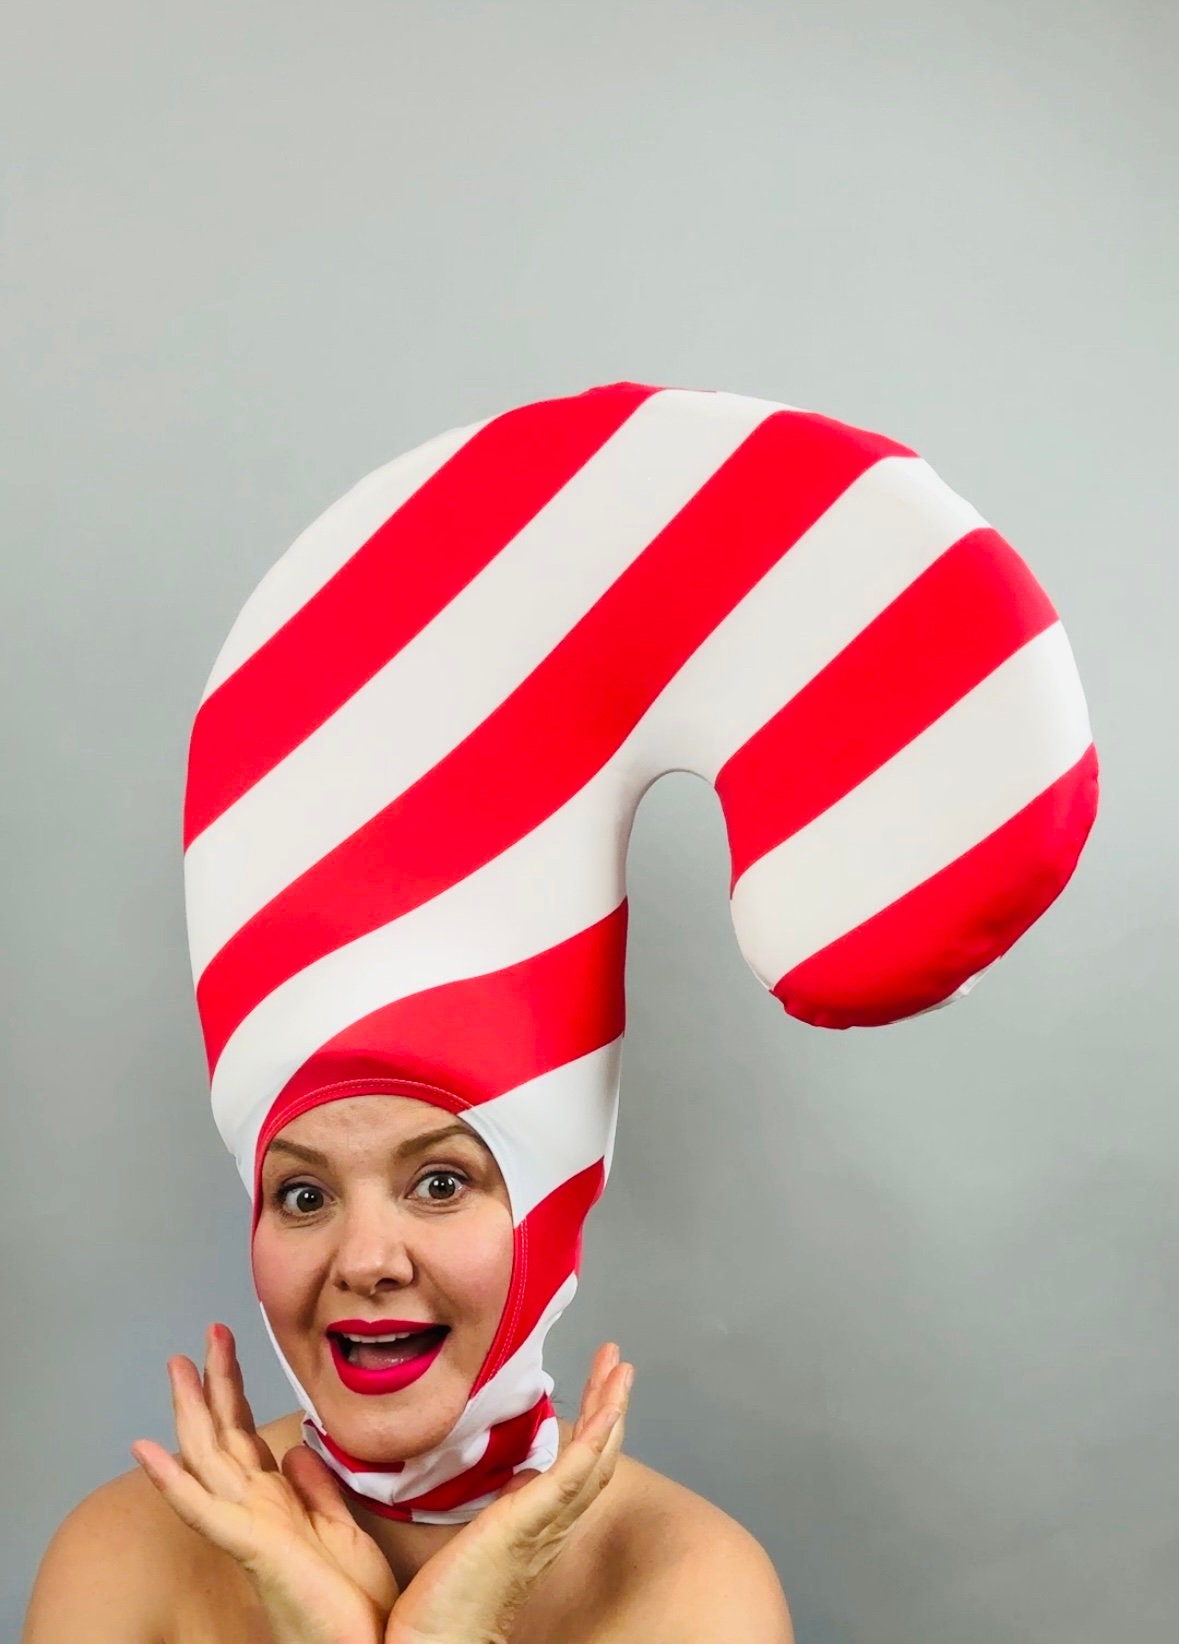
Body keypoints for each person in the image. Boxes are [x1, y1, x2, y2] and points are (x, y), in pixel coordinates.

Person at [22, 1094, 796, 1642]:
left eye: (440, 1184)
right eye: (302, 1195)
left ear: (545, 1222)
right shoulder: (121, 1556)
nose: (364, 1262)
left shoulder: (694, 1586)